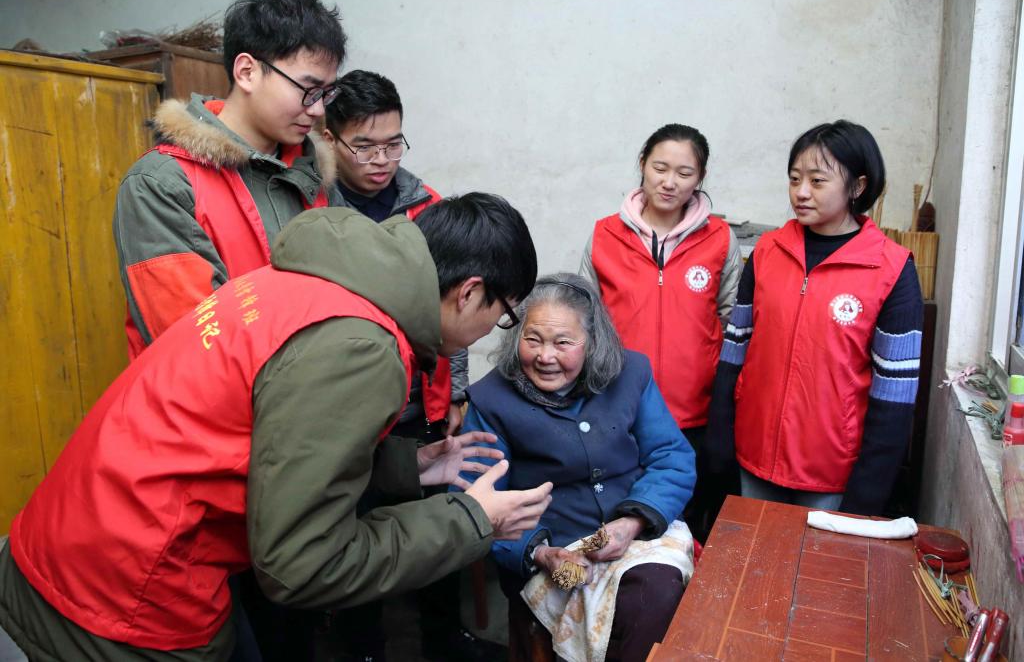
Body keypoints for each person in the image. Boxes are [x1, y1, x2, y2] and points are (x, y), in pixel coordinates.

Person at [0, 195, 553, 661]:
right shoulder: (362, 345)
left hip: (75, 532)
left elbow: (270, 438)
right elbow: (303, 565)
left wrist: (405, 465)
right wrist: (472, 520)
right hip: (126, 593)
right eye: (504, 315)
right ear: (469, 292)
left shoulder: (312, 281)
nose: (492, 331)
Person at [320, 71, 493, 661]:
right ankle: (364, 647)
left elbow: (456, 310)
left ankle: (445, 640)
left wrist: (457, 391)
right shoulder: (316, 207)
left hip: (424, 399)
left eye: (393, 144)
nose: (381, 160)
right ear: (330, 138)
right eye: (365, 146)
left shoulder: (428, 206)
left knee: (436, 522)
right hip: (352, 403)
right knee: (358, 528)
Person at [459, 273, 696, 662]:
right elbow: (473, 500)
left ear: (593, 342)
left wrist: (632, 522)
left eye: (562, 343)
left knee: (653, 596)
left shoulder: (630, 373)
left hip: (636, 530)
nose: (545, 356)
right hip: (550, 546)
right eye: (532, 339)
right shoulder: (492, 399)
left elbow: (672, 456)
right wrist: (540, 552)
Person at [113, 0, 347, 358]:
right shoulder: (161, 185)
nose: (318, 110)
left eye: (326, 93)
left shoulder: (314, 172)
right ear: (247, 72)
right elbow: (198, 343)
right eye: (308, 89)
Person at [705, 120, 923, 514]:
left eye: (817, 181)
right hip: (755, 459)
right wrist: (721, 436)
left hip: (833, 474)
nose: (801, 192)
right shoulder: (768, 252)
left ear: (857, 187)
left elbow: (896, 395)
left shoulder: (891, 269)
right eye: (794, 179)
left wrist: (868, 490)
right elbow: (735, 349)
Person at [581, 123, 741, 541]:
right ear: (642, 165)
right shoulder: (604, 235)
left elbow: (732, 321)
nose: (670, 182)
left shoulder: (721, 239)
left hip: (695, 412)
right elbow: (585, 320)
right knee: (625, 523)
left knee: (686, 526)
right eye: (660, 168)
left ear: (700, 177)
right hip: (619, 408)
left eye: (684, 173)